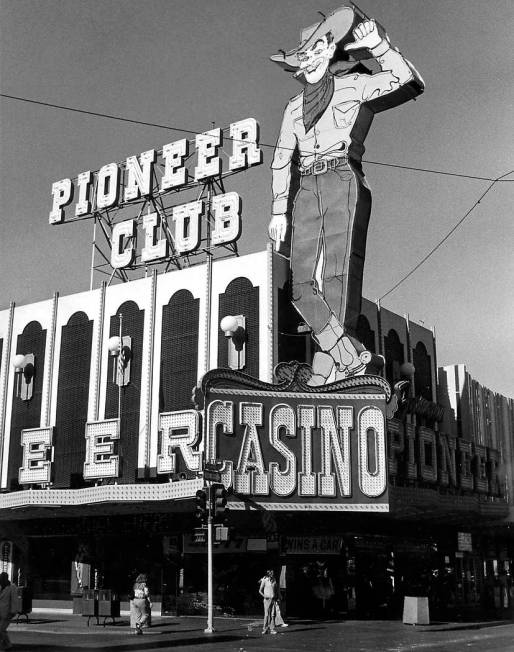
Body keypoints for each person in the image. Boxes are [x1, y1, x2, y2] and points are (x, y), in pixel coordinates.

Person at [269, 5, 423, 384]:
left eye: (317, 49)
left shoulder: (354, 85)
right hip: (305, 187)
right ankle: (350, 357)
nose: (310, 59)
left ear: (330, 50)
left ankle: (331, 365)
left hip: (341, 175)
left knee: (339, 278)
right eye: (303, 56)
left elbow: (408, 80)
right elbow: (280, 160)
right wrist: (277, 211)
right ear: (298, 66)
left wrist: (379, 46)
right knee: (300, 286)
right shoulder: (292, 109)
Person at [0, 572, 17, 651]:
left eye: (2, 578)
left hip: (7, 612)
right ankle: (3, 644)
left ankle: (8, 645)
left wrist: (13, 612)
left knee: (1, 629)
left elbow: (14, 600)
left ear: (6, 578)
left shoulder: (12, 587)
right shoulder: (0, 587)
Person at [258, 570, 278, 635]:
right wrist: (264, 596)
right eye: (271, 573)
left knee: (273, 615)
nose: (272, 574)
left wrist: (278, 596)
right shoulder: (265, 580)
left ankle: (272, 629)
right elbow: (260, 591)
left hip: (273, 599)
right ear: (268, 574)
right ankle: (265, 629)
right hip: (267, 600)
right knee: (266, 615)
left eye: (273, 573)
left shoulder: (274, 580)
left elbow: (276, 589)